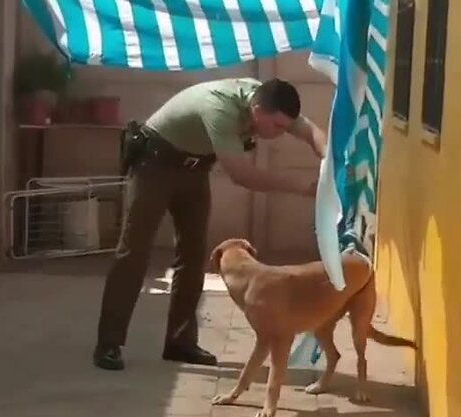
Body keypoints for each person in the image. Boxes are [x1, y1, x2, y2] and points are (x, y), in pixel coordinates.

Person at [93, 77, 327, 371]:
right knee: (134, 251)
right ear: (256, 109)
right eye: (276, 127)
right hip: (156, 162)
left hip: (195, 167)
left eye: (284, 127)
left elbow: (311, 132)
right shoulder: (220, 108)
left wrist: (329, 160)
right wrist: (305, 186)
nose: (281, 134)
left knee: (193, 254)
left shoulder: (269, 100)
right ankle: (109, 343)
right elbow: (243, 176)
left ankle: (180, 343)